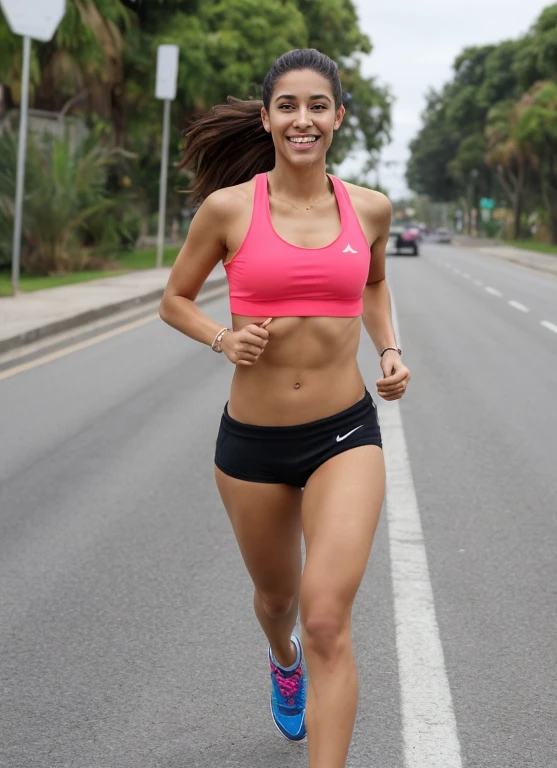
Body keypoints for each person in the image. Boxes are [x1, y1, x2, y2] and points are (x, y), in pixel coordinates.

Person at [158, 49, 410, 768]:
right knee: (280, 602)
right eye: (289, 106)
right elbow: (174, 299)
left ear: (338, 117)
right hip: (253, 445)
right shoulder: (229, 209)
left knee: (328, 615)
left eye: (318, 105)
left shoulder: (370, 208)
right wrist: (222, 337)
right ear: (267, 117)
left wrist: (388, 349)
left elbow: (375, 284)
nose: (304, 119)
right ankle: (282, 656)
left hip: (345, 433)